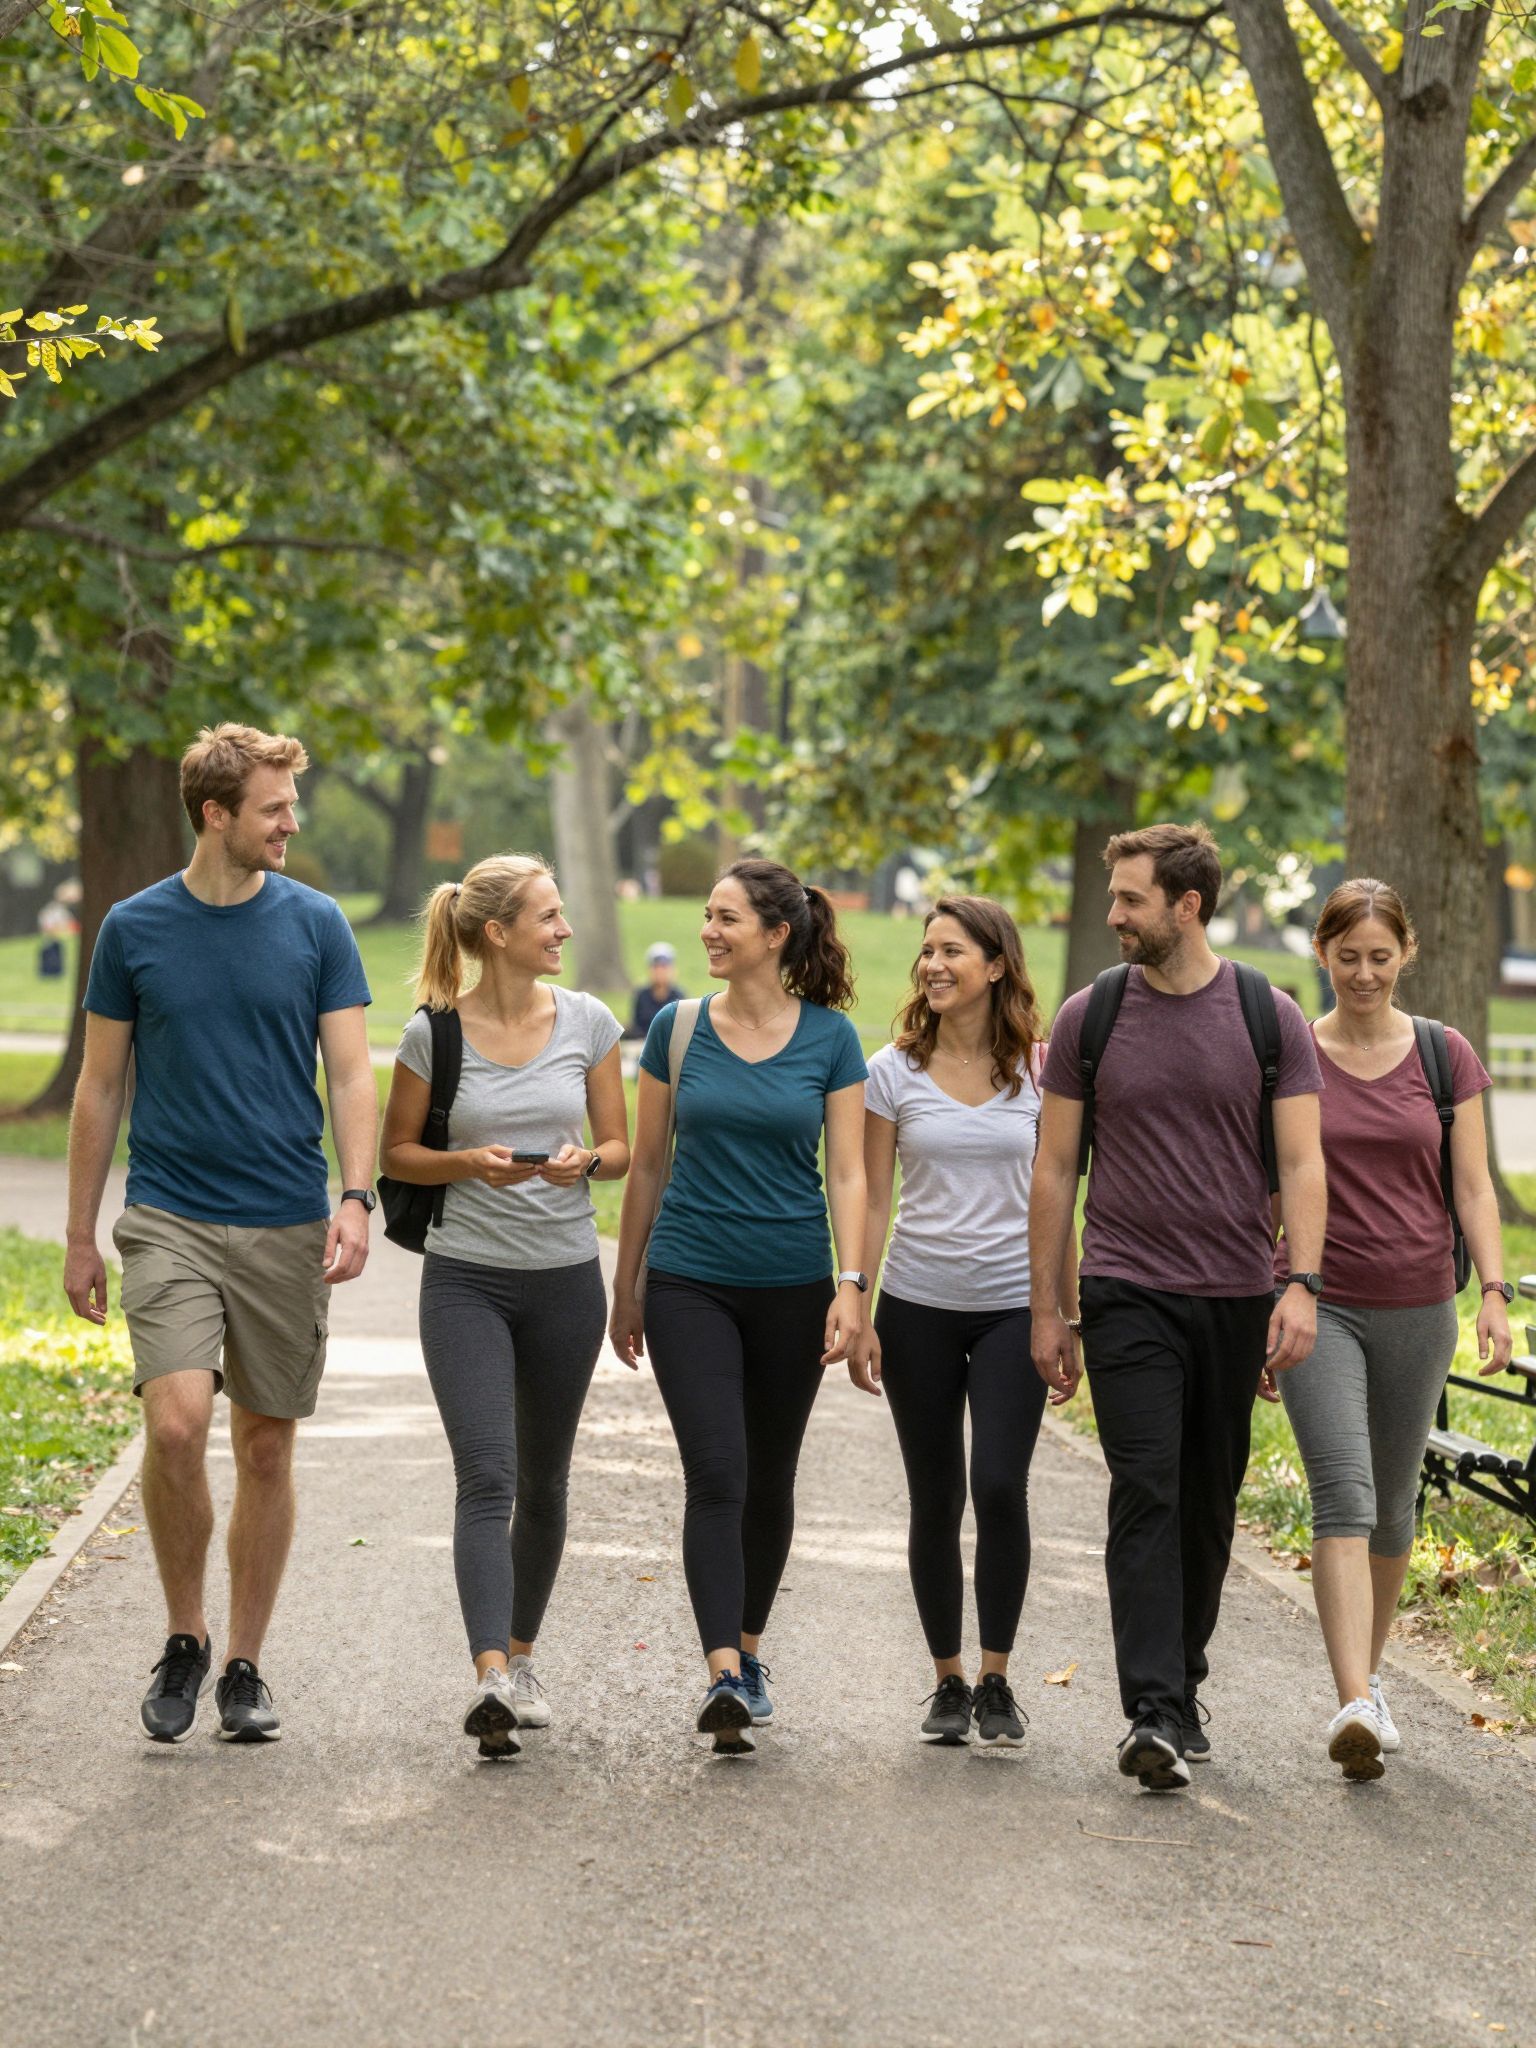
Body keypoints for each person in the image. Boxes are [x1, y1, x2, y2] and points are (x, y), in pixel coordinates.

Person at [64, 723, 376, 1745]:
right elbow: (100, 1083)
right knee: (177, 1425)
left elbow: (352, 1071)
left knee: (267, 1445)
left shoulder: (319, 923)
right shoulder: (133, 928)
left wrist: (356, 1193)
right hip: (170, 1217)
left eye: (292, 802)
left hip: (286, 1215)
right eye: (275, 806)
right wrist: (79, 1235)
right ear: (216, 813)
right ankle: (185, 1634)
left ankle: (244, 1661)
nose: (292, 821)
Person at [1030, 822, 1327, 1793]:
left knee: (1208, 1496)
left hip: (1238, 1290)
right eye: (1113, 897)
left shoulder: (1264, 1012)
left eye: (1130, 899)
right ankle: (1152, 1707)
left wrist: (1302, 1281)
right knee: (1146, 1483)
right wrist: (1051, 1305)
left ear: (1186, 904)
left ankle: (1185, 1681)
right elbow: (1054, 1169)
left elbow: (1300, 1160)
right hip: (1125, 1288)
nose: (1112, 914)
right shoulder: (1094, 1013)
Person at [607, 859, 868, 1753]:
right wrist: (627, 1281)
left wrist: (851, 1284)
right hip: (691, 1280)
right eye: (707, 917)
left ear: (775, 934)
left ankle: (749, 1654)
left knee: (770, 1477)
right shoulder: (677, 1029)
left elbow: (851, 1173)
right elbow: (646, 1165)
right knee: (718, 1470)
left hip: (794, 1284)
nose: (709, 932)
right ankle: (722, 1670)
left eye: (725, 919)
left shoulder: (832, 1039)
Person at [379, 855, 629, 1760]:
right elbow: (398, 1153)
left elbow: (619, 1147)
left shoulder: (590, 1023)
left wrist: (584, 1162)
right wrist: (464, 1163)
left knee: (546, 1480)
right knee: (487, 1475)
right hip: (466, 1282)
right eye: (548, 917)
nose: (563, 931)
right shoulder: (433, 1034)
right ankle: (488, 1676)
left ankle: (523, 1659)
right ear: (497, 933)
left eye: (562, 915)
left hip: (565, 1280)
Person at [1275, 879, 1511, 1780]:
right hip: (1320, 1301)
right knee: (1342, 1487)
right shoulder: (1296, 1053)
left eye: (1380, 957)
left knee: (1393, 1499)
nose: (1363, 974)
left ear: (1405, 954)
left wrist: (1491, 1289)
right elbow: (1276, 1179)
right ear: (1322, 955)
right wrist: (1276, 1288)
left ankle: (1369, 1677)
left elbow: (1475, 1188)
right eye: (1347, 957)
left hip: (1420, 1305)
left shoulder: (1445, 1056)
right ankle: (1352, 1702)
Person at [850, 897, 1077, 1748]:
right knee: (937, 1495)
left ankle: (997, 1678)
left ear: (995, 965)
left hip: (1016, 1310)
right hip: (917, 1308)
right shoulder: (891, 1071)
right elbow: (873, 1198)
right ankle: (947, 1681)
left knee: (1001, 1489)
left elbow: (1062, 1201)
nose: (933, 965)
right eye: (925, 952)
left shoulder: (1045, 1072)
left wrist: (1070, 1317)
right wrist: (860, 1304)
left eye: (951, 951)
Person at [628, 942, 685, 1040]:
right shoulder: (641, 996)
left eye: (664, 967)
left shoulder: (679, 996)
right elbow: (636, 1025)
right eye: (656, 967)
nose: (659, 971)